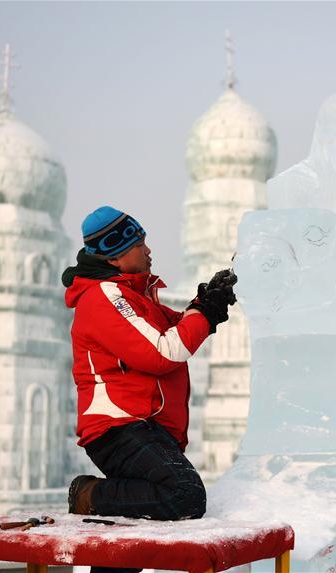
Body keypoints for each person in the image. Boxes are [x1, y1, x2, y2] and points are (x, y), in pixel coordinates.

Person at [62, 206, 236, 524]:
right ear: (114, 256)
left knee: (139, 525)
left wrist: (206, 303)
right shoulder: (104, 297)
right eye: (140, 244)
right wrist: (206, 311)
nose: (149, 250)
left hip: (142, 425)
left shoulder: (133, 297)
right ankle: (89, 495)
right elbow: (164, 352)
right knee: (185, 494)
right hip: (118, 428)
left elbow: (178, 327)